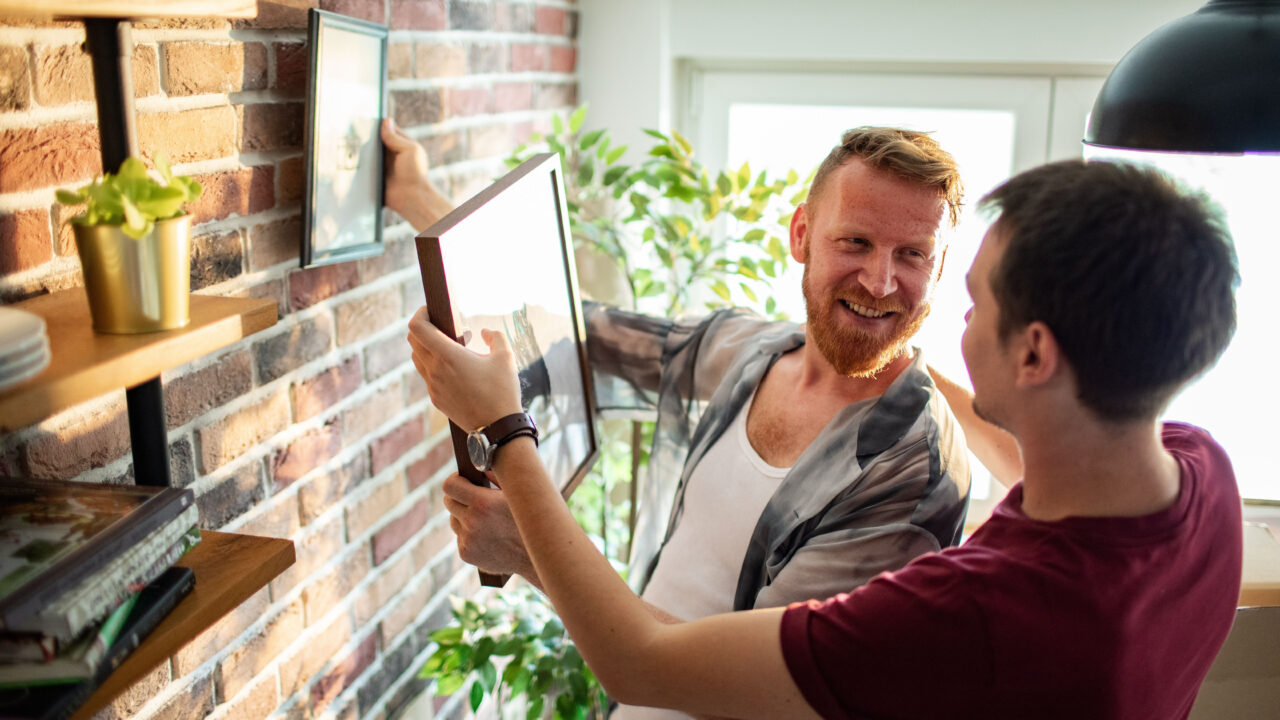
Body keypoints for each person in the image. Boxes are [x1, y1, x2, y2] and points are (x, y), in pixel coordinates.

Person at [407, 158, 1243, 719]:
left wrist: (509, 438)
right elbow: (589, 332)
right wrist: (427, 209)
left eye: (976, 298)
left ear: (1033, 352)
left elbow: (647, 663)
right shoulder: (1201, 475)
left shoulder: (968, 610)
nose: (946, 310)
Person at [387, 117, 980, 657]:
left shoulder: (914, 474)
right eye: (855, 242)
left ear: (941, 268)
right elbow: (576, 329)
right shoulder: (754, 349)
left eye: (913, 255)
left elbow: (751, 683)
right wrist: (418, 201)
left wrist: (526, 553)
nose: (880, 282)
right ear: (801, 234)